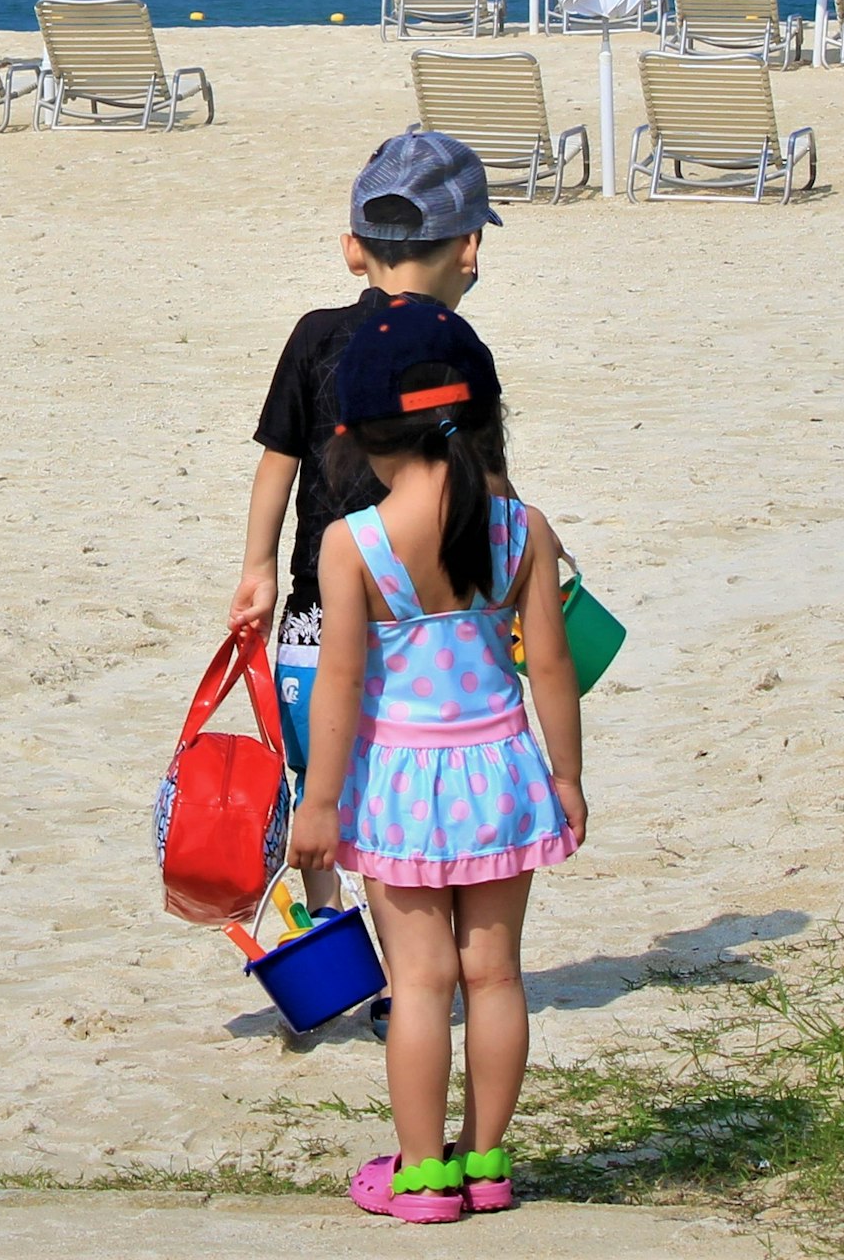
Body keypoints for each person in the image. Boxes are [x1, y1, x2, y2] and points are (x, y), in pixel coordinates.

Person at [288, 294, 585, 1225]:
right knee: (496, 975)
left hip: (402, 789)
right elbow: (553, 663)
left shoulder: (354, 544)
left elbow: (337, 684)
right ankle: (487, 1163)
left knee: (420, 983)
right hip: (502, 775)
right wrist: (567, 778)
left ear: (358, 436)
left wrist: (320, 802)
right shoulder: (522, 528)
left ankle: (422, 1173)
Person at [227, 130, 494, 911]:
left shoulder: (315, 336)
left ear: (353, 250)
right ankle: (414, 955)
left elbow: (279, 461)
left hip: (316, 605)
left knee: (321, 778)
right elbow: (487, 475)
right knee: (410, 775)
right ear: (468, 249)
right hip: (423, 614)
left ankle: (340, 945)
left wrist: (257, 568)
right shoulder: (458, 346)